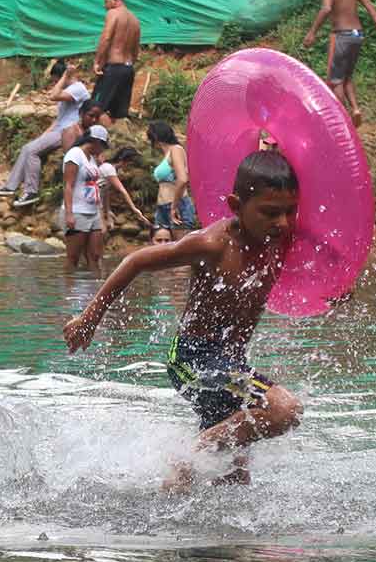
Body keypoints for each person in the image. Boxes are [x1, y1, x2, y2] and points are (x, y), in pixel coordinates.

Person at [64, 152, 308, 489]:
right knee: (284, 410)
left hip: (231, 364)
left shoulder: (276, 241)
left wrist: (335, 287)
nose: (282, 222)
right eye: (270, 212)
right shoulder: (212, 244)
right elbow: (136, 261)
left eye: (289, 212)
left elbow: (319, 263)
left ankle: (176, 497)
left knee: (234, 480)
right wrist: (90, 318)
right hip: (194, 359)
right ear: (236, 205)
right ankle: (192, 453)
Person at [302, 0, 376, 123]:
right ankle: (356, 109)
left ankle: (342, 121)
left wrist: (312, 32)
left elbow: (327, 8)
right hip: (357, 35)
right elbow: (368, 3)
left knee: (335, 81)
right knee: (347, 77)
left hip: (342, 35)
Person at [0, 59, 91, 207]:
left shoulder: (78, 88)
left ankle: (31, 192)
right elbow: (58, 120)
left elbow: (53, 96)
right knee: (28, 147)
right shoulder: (68, 91)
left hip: (68, 132)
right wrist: (43, 135)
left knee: (31, 151)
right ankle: (11, 187)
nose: (55, 84)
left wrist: (65, 76)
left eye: (55, 80)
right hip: (59, 129)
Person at [62, 124, 110, 274]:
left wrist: (101, 216)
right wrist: (69, 214)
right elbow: (68, 185)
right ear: (95, 141)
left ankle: (94, 291)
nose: (103, 150)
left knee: (95, 256)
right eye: (103, 146)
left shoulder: (91, 159)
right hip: (78, 211)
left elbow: (95, 186)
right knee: (73, 258)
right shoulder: (74, 154)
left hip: (93, 211)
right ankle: (69, 293)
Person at [92, 0, 140, 123]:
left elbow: (106, 37)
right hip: (128, 69)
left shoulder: (113, 13)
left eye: (106, 2)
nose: (104, 6)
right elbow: (136, 50)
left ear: (115, 0)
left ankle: (95, 140)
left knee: (95, 109)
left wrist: (98, 61)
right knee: (119, 114)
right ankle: (118, 140)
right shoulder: (135, 20)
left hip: (113, 68)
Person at [147, 120, 197, 241]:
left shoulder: (176, 149)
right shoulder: (167, 154)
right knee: (162, 253)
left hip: (177, 207)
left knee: (181, 253)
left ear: (156, 137)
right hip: (162, 208)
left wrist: (174, 207)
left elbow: (183, 179)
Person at [97, 146, 150, 231]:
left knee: (103, 230)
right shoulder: (108, 168)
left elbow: (106, 191)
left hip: (98, 202)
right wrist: (134, 209)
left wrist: (107, 210)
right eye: (130, 164)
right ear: (124, 161)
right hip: (92, 201)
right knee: (101, 230)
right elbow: (122, 190)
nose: (129, 167)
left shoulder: (112, 169)